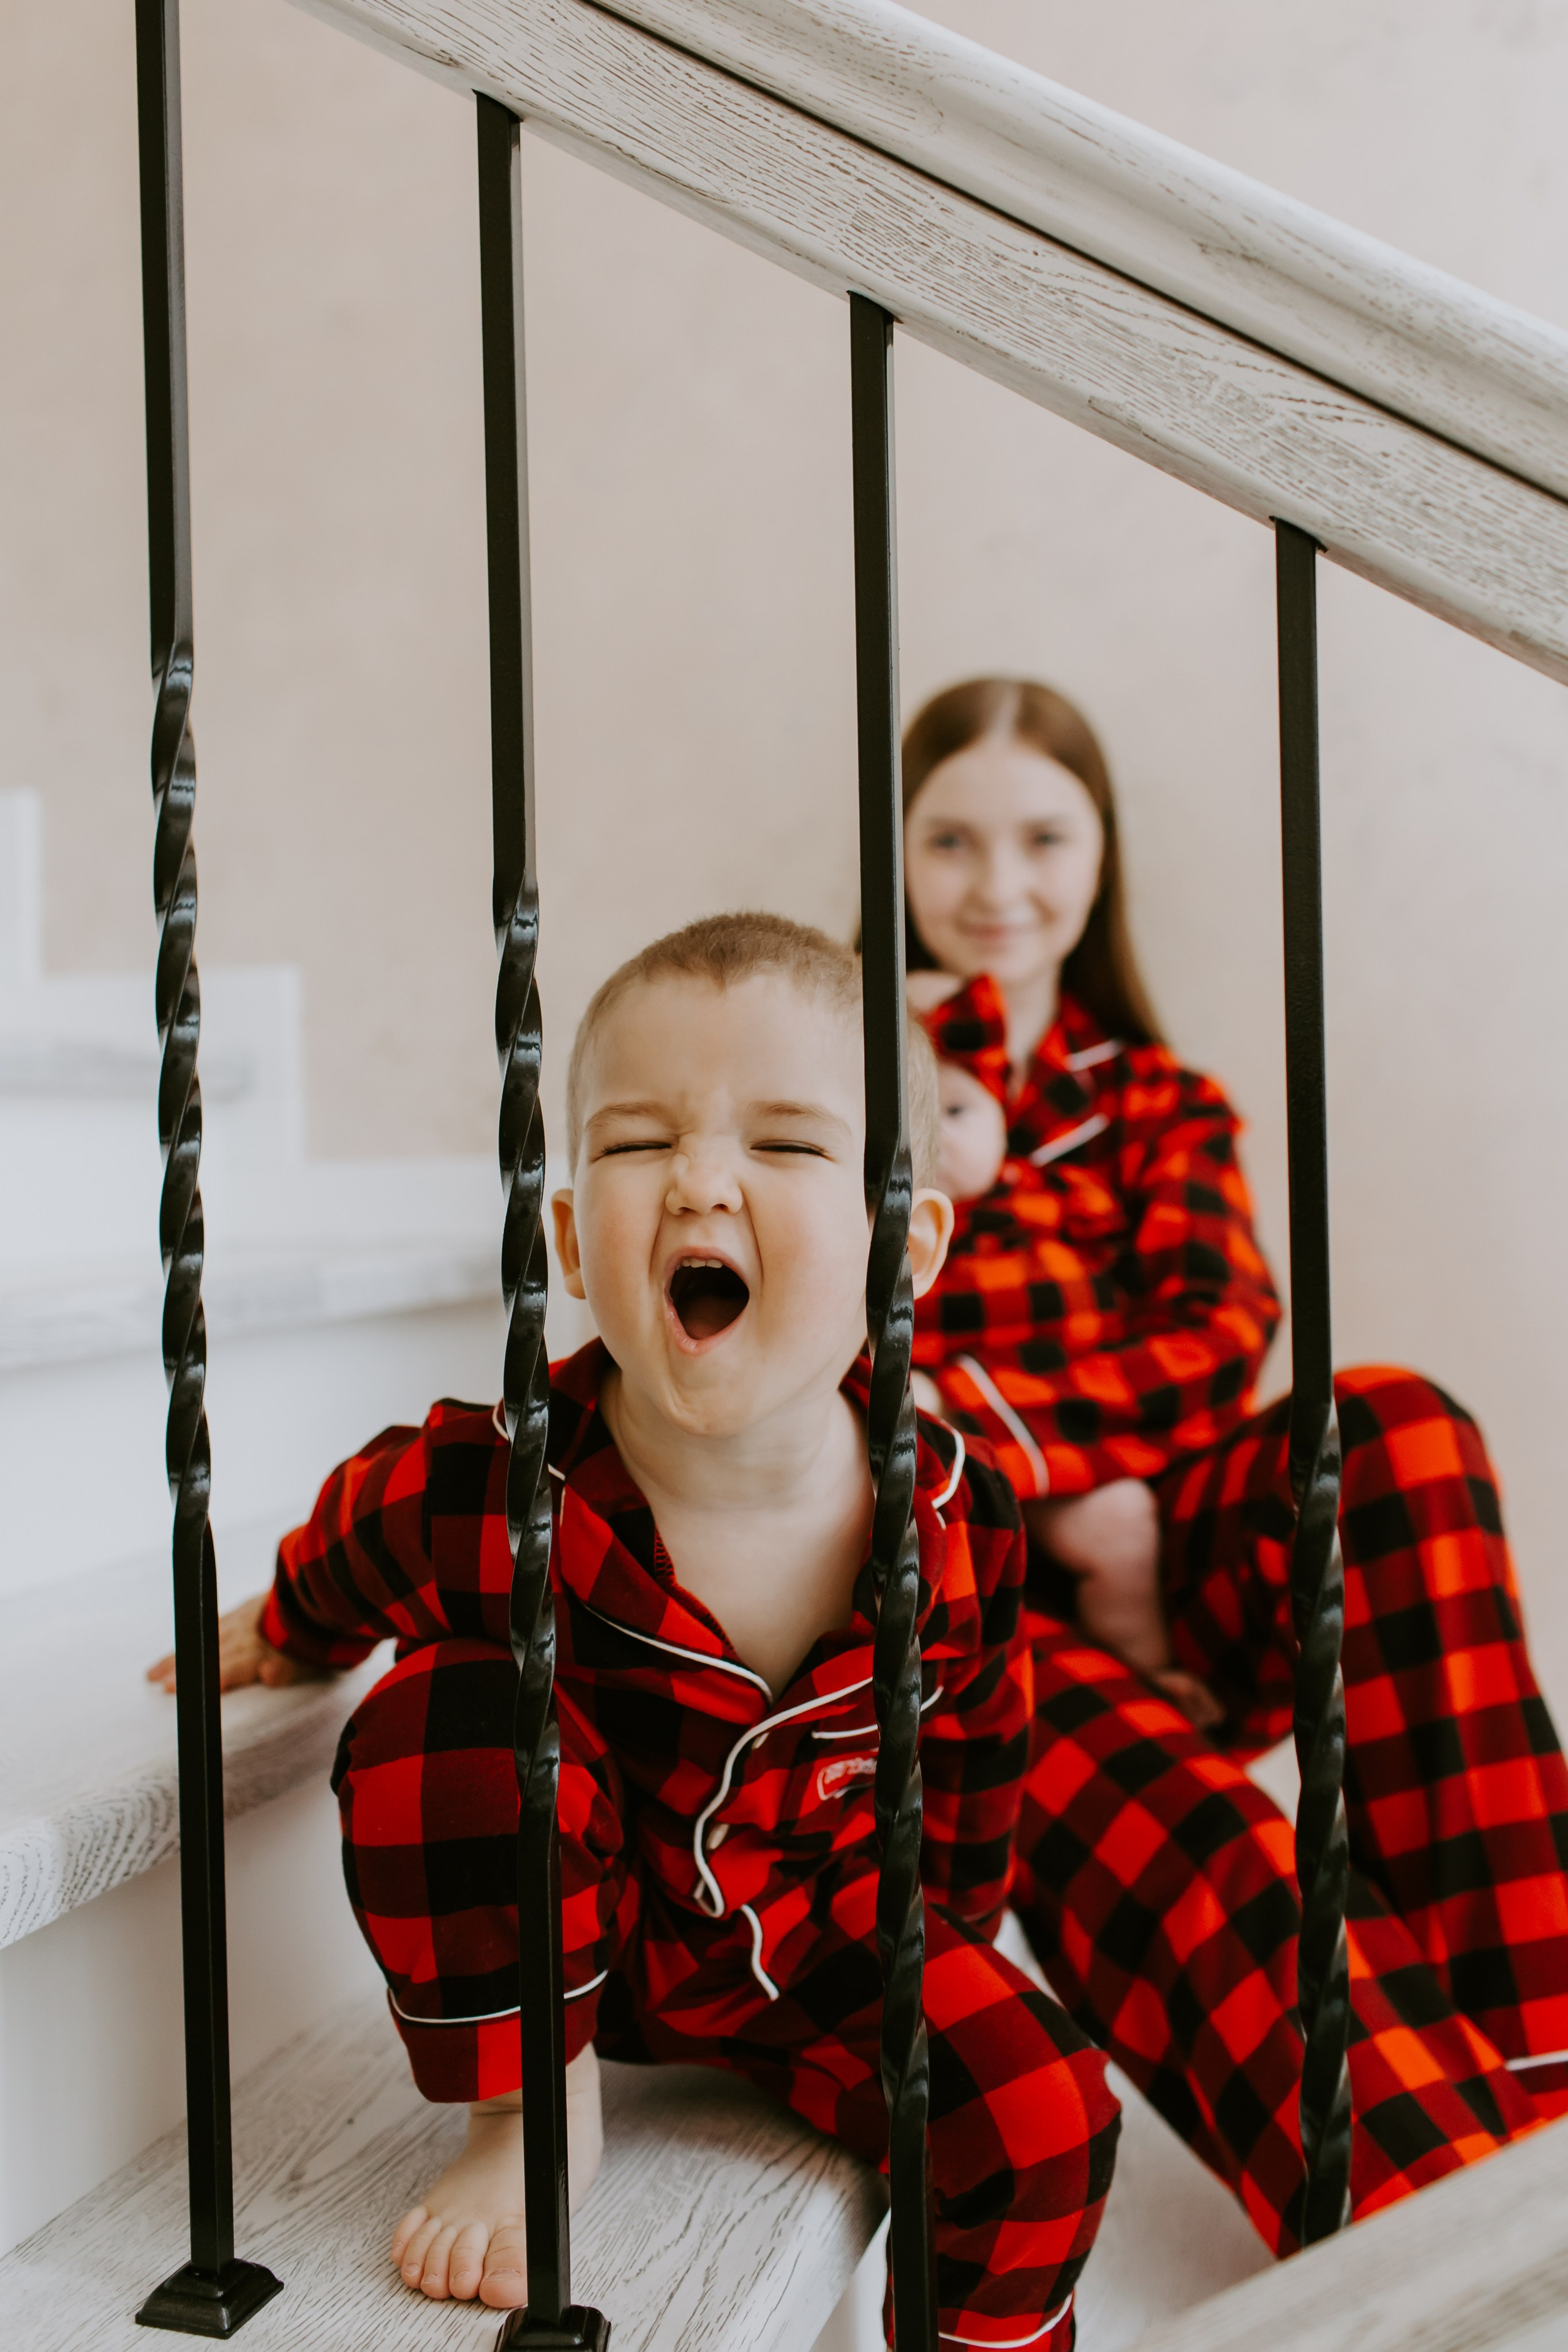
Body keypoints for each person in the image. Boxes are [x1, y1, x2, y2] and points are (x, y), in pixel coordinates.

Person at [149, 912, 1120, 2348]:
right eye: (634, 1142)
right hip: (572, 1925)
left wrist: (950, 1954)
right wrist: (291, 1623)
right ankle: (528, 2117)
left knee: (1046, 2110)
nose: (699, 1181)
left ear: (901, 1243)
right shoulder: (492, 1479)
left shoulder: (949, 1519)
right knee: (439, 1721)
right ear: (568, 1240)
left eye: (784, 1146)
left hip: (818, 1934)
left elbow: (971, 1750)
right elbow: (361, 1532)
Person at [899, 674, 1568, 2254]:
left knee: (1389, 1422)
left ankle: (1549, 2080)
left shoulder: (1159, 1102)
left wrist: (1122, 1520)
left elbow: (1216, 1332)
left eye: (1041, 837)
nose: (998, 886)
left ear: (1099, 854)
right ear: (901, 859)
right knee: (1202, 1836)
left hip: (1188, 1563)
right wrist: (1053, 1496)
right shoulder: (846, 1084)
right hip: (979, 1616)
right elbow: (851, 1385)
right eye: (951, 842)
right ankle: (1440, 2219)